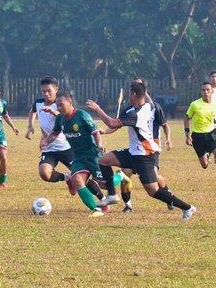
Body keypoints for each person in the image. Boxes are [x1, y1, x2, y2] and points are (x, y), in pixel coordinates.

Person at [87, 81, 197, 222]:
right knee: (104, 160)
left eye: (129, 92)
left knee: (153, 191)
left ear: (133, 94)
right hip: (133, 151)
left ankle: (187, 207)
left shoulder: (135, 114)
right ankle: (112, 195)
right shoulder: (148, 106)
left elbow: (113, 123)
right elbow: (125, 118)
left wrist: (97, 108)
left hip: (144, 155)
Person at [25, 76, 106, 204]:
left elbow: (67, 118)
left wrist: (53, 112)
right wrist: (30, 126)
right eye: (43, 91)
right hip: (50, 148)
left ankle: (103, 199)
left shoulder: (61, 105)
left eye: (49, 91)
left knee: (82, 178)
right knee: (44, 173)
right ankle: (66, 177)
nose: (46, 93)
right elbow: (33, 111)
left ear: (56, 89)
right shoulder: (38, 102)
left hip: (67, 147)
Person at [99, 77, 174, 214]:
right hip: (136, 150)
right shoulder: (129, 108)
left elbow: (165, 125)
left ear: (144, 91)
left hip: (151, 149)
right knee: (124, 174)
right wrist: (105, 131)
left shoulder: (154, 107)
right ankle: (128, 205)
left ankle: (168, 195)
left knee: (155, 178)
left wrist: (168, 138)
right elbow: (117, 124)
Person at [41, 91, 118, 217]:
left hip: (93, 155)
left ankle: (120, 177)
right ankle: (96, 210)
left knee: (104, 184)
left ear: (70, 103)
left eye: (61, 105)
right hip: (78, 157)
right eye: (57, 106)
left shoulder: (82, 116)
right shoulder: (60, 118)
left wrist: (99, 146)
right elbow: (54, 133)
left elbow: (96, 133)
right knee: (77, 180)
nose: (59, 108)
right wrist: (46, 141)